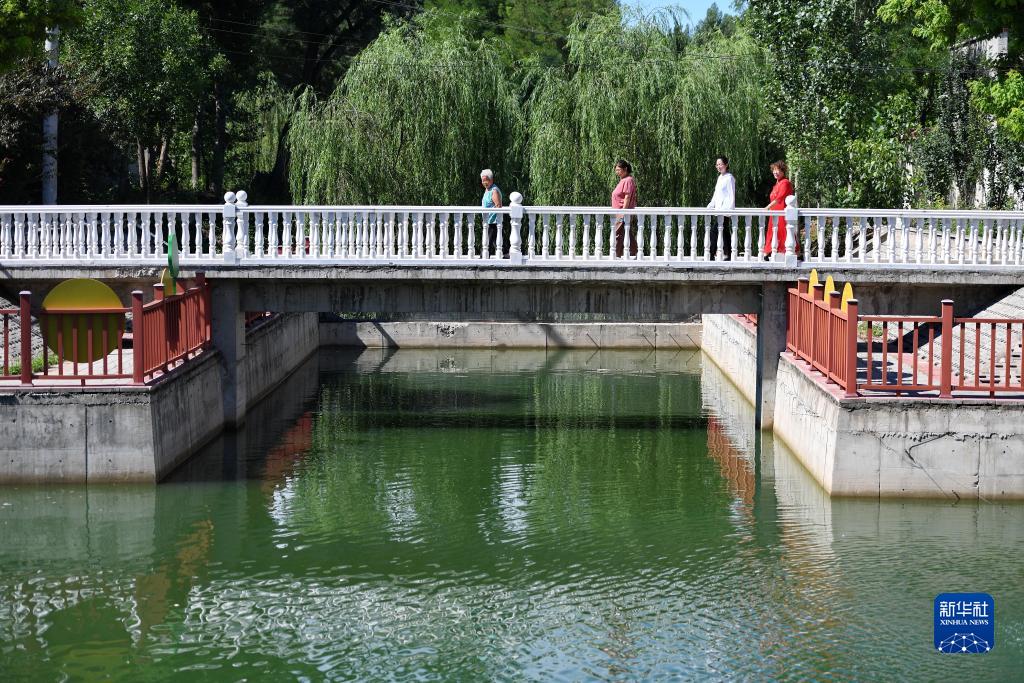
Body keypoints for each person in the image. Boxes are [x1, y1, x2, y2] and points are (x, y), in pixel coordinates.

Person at [706, 156, 735, 260]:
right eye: (717, 164)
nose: (718, 166)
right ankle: (729, 255)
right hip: (719, 210)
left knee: (715, 231)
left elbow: (731, 195)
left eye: (720, 164)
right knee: (724, 232)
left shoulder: (729, 177)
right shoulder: (720, 178)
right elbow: (716, 194)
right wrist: (711, 204)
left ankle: (711, 254)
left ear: (726, 165)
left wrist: (728, 210)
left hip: (725, 210)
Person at [765, 160, 795, 257]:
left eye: (777, 170)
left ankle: (792, 253)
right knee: (773, 232)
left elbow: (779, 198)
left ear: (783, 171)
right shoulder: (777, 184)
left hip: (782, 213)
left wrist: (767, 208)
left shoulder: (785, 182)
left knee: (783, 233)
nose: (775, 172)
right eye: (774, 170)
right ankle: (769, 252)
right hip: (774, 213)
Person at [611, 159, 638, 257]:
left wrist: (623, 212)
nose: (616, 172)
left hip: (622, 212)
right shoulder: (623, 180)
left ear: (625, 169)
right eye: (616, 170)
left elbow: (627, 196)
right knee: (626, 234)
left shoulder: (628, 180)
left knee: (617, 233)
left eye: (618, 170)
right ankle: (636, 253)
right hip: (619, 212)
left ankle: (615, 255)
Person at [481, 169, 504, 258]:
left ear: (491, 180)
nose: (484, 182)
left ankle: (483, 256)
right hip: (487, 219)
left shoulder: (494, 190)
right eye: (483, 180)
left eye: (486, 180)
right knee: (493, 239)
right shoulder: (487, 190)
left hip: (493, 220)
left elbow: (498, 205)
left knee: (488, 239)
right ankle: (505, 253)